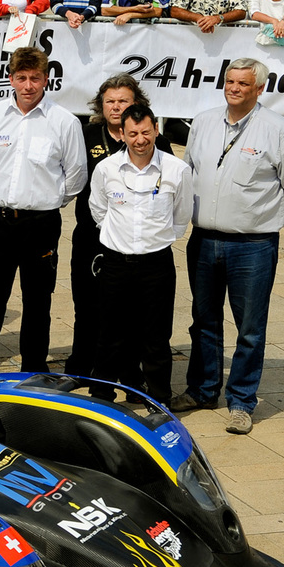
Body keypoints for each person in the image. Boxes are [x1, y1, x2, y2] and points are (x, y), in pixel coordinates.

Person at [174, 58, 284, 435]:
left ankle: (241, 402)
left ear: (259, 88)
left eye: (243, 84)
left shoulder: (278, 130)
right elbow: (189, 174)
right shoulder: (203, 121)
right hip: (203, 241)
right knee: (203, 322)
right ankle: (202, 391)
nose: (234, 88)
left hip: (252, 245)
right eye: (230, 81)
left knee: (250, 327)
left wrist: (262, 217)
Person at [0, 47, 86, 375]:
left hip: (41, 224)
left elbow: (76, 174)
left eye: (35, 78)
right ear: (11, 79)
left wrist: (48, 200)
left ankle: (34, 371)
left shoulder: (63, 122)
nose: (28, 85)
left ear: (46, 79)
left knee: (38, 303)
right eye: (21, 77)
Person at [67, 75, 172, 389]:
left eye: (123, 101)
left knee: (133, 314)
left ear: (136, 103)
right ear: (101, 105)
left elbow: (172, 193)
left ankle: (130, 375)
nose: (116, 107)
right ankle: (81, 368)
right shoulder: (85, 135)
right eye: (110, 101)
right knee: (87, 307)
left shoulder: (154, 140)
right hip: (91, 237)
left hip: (136, 243)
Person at [87, 105, 191, 402]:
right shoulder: (106, 169)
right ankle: (101, 396)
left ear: (156, 130)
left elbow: (182, 216)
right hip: (115, 264)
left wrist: (156, 239)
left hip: (156, 264)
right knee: (109, 335)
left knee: (156, 338)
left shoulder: (176, 169)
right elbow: (98, 210)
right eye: (133, 133)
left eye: (145, 132)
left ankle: (159, 400)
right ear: (122, 134)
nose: (140, 139)